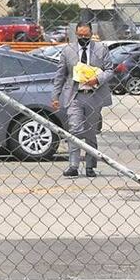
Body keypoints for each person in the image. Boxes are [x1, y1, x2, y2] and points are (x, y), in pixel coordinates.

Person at [51, 22, 113, 178]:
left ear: (92, 34)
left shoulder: (101, 49)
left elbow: (110, 70)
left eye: (86, 35)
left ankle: (90, 166)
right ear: (76, 34)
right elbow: (61, 75)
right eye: (80, 35)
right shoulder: (68, 50)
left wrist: (97, 79)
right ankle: (73, 165)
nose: (83, 38)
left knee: (90, 132)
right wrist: (55, 96)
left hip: (94, 95)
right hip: (75, 96)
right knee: (75, 130)